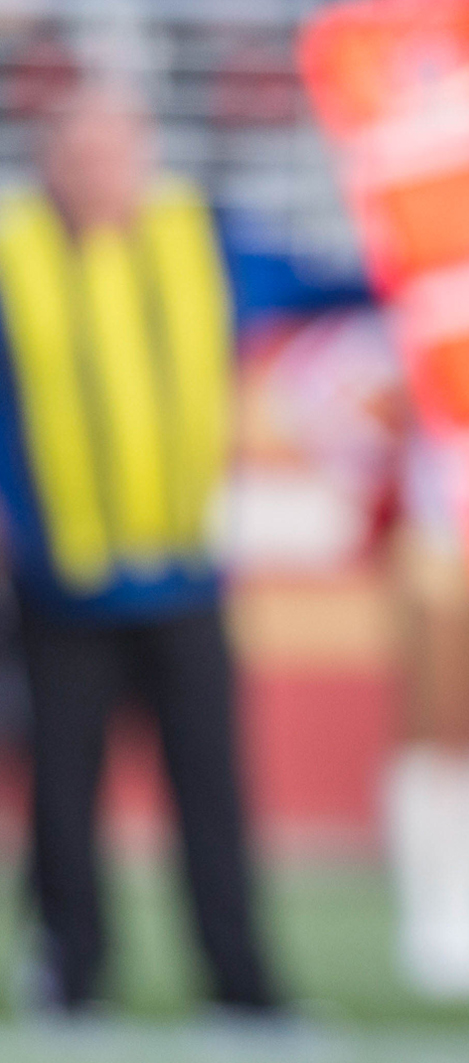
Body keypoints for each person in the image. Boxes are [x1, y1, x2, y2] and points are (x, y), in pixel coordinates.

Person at [0, 84, 358, 1015]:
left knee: (212, 795)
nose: (99, 174)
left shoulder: (203, 242)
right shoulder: (14, 255)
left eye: (115, 153)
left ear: (145, 158)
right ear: (50, 164)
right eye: (81, 155)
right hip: (62, 587)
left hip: (185, 582)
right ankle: (72, 974)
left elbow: (328, 285)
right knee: (62, 800)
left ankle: (240, 984)